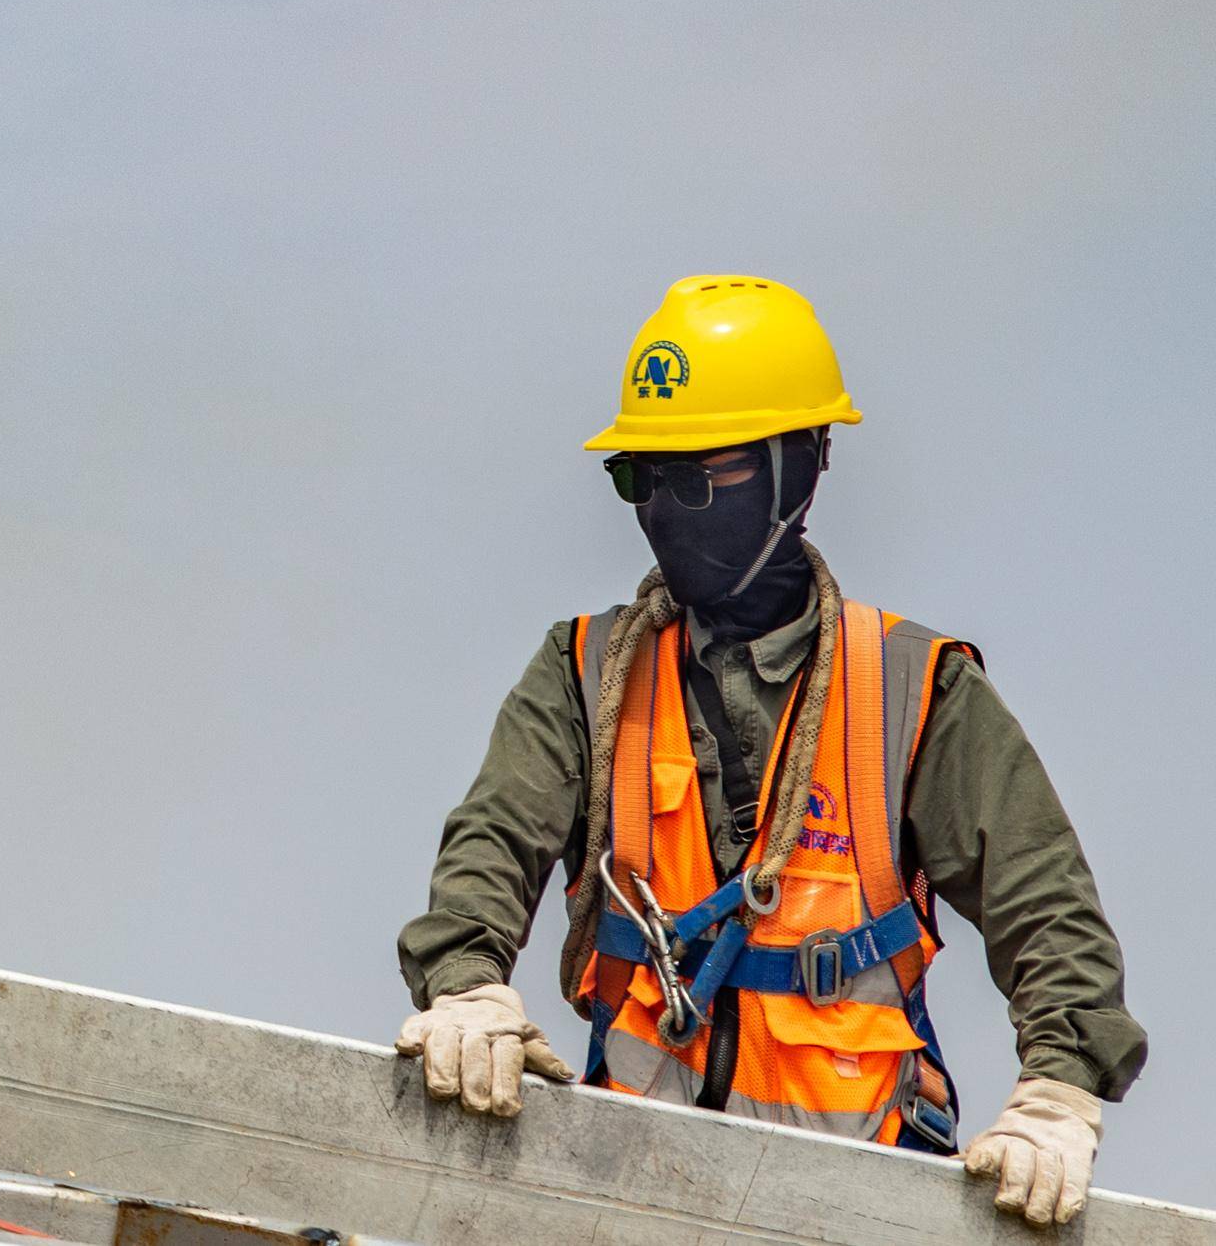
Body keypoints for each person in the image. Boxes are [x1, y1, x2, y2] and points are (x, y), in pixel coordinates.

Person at [394, 275, 1139, 1230]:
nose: (668, 508)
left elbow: (1051, 916)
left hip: (862, 1207)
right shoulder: (585, 675)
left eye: (699, 478)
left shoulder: (915, 690)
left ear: (797, 469)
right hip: (630, 1196)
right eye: (644, 478)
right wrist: (465, 986)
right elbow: (491, 843)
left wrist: (1057, 1096)